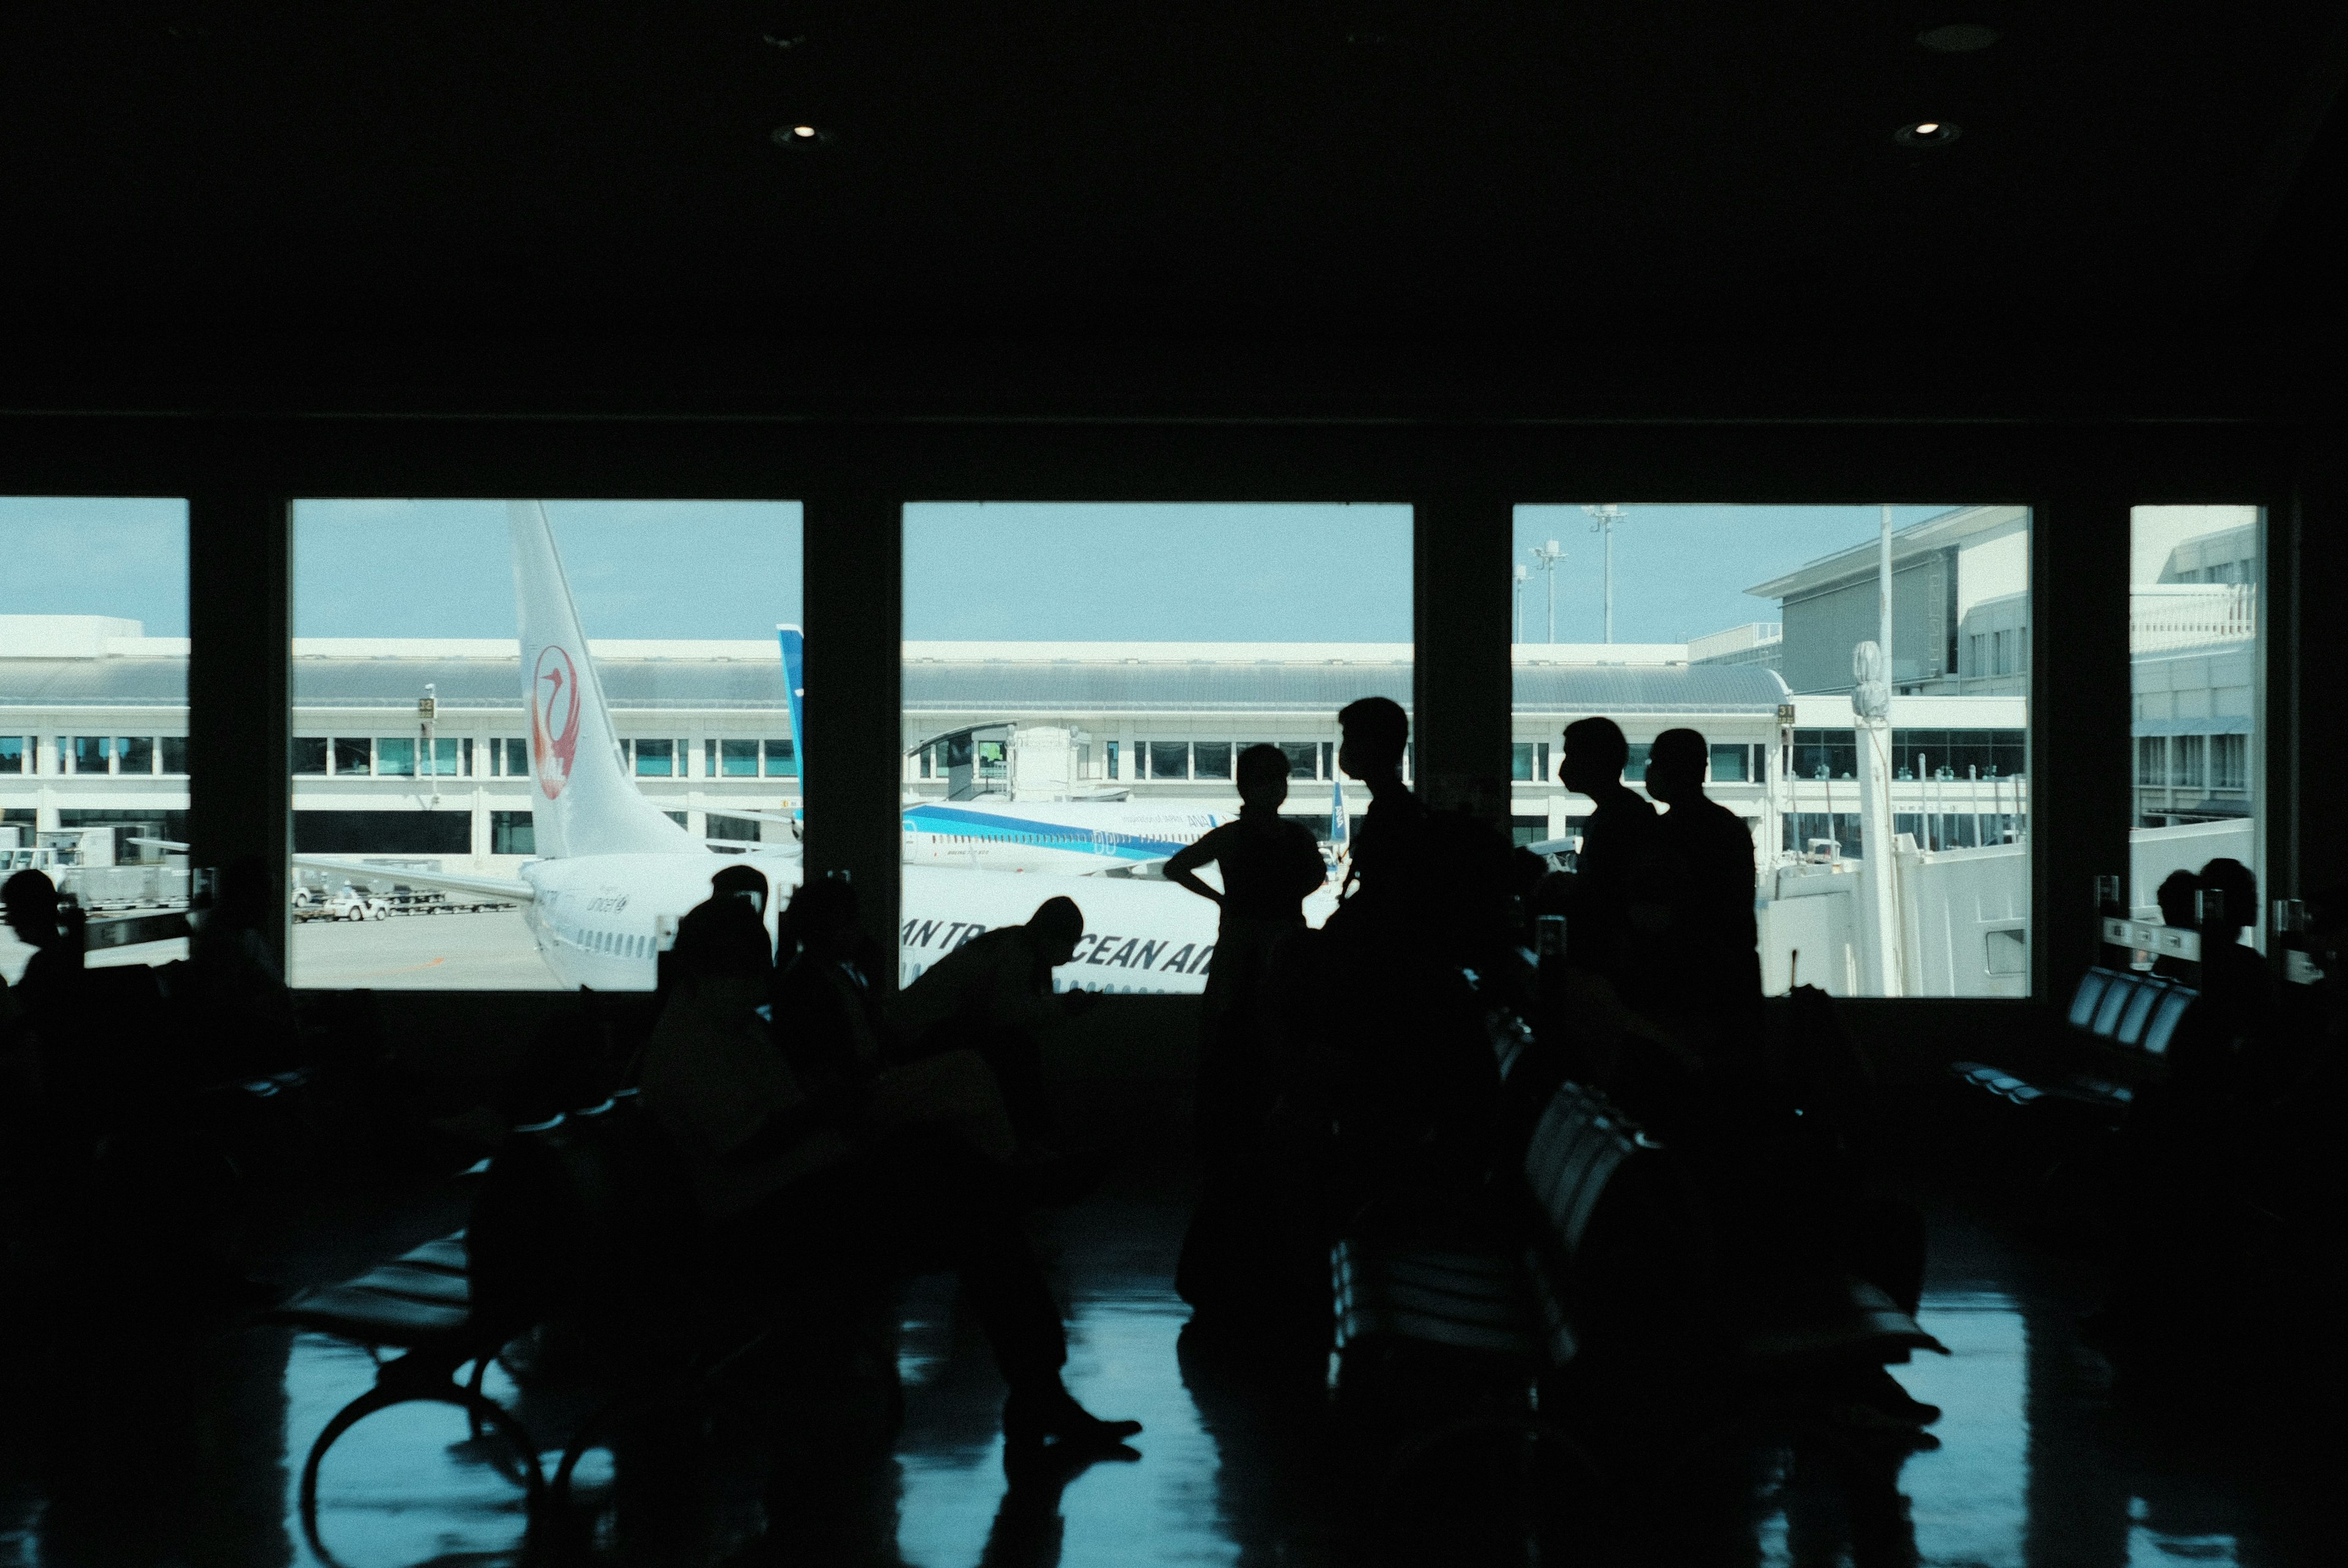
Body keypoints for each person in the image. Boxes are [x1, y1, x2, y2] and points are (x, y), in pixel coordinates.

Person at [641, 885, 1140, 1454]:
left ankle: (1036, 1351)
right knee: (971, 1199)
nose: (758, 981)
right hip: (782, 1212)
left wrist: (820, 1106)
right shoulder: (694, 1045)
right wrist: (823, 1108)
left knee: (964, 1190)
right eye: (746, 968)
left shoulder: (728, 1026)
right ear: (709, 967)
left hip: (807, 1187)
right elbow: (747, 1143)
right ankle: (1039, 1377)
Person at [895, 896, 1097, 1146]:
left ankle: (1032, 1139)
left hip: (924, 1030)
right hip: (922, 1035)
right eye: (1070, 942)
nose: (1070, 952)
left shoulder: (1012, 945)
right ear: (1052, 936)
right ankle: (1033, 1140)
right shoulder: (1017, 955)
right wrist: (1064, 1006)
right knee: (1017, 1051)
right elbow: (1005, 1015)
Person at [1642, 727, 1762, 1029]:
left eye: (1655, 762)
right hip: (1731, 981)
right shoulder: (1730, 827)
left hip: (1686, 983)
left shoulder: (1665, 833)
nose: (1649, 771)